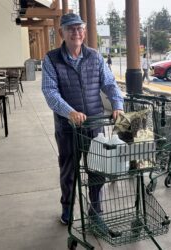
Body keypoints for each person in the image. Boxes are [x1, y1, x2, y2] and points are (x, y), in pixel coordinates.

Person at [41, 13, 124, 225]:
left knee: (97, 168)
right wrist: (69, 112)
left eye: (79, 28)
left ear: (84, 32)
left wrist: (117, 105)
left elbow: (110, 83)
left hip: (94, 124)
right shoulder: (51, 59)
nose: (76, 32)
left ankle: (95, 210)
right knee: (68, 170)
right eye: (70, 29)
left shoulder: (95, 56)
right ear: (62, 33)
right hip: (67, 127)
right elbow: (50, 92)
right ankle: (67, 207)